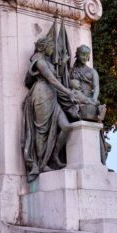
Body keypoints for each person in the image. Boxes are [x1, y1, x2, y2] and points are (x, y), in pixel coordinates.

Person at [22, 36, 80, 181]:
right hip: (41, 95)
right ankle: (42, 164)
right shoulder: (39, 62)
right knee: (42, 131)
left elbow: (54, 77)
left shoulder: (46, 62)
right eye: (51, 46)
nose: (53, 49)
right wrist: (69, 92)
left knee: (66, 126)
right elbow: (52, 80)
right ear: (43, 47)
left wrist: (63, 64)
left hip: (52, 96)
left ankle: (53, 155)